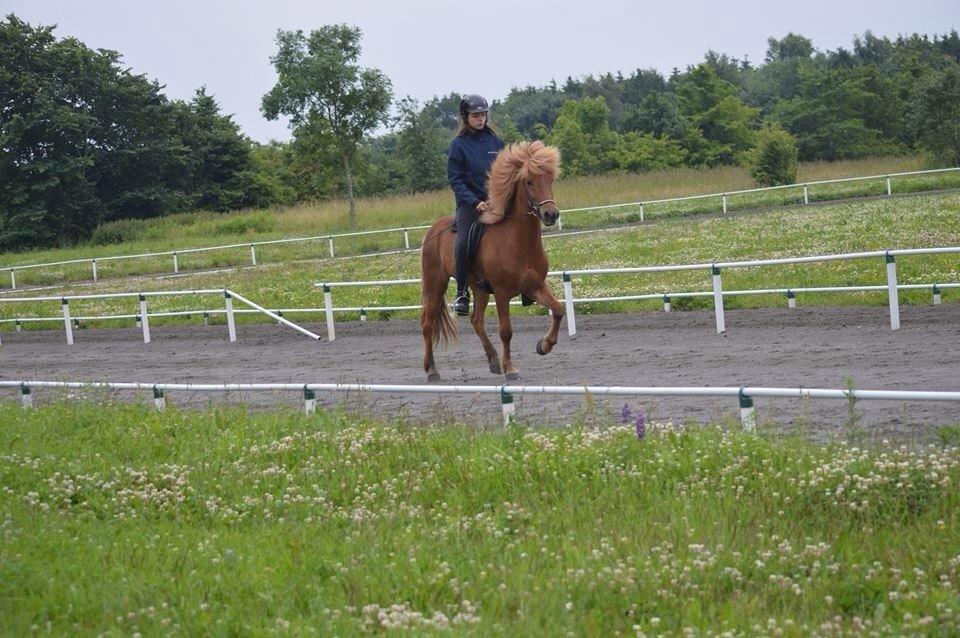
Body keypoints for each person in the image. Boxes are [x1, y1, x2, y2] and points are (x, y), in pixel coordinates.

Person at [446, 94, 504, 316]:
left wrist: (497, 197)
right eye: (476, 115)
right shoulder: (458, 146)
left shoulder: (496, 142)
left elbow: (504, 172)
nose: (481, 119)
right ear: (465, 117)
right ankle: (462, 293)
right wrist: (475, 202)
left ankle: (526, 282)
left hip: (496, 201)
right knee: (462, 243)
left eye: (483, 115)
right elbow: (456, 180)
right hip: (470, 206)